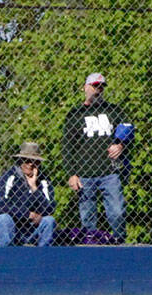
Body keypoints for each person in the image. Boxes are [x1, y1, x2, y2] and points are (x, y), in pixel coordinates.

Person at [62, 72, 131, 244]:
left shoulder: (114, 110)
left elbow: (129, 132)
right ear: (85, 87)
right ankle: (91, 246)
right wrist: (72, 174)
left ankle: (119, 243)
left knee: (117, 212)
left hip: (110, 171)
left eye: (101, 87)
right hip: (85, 174)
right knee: (87, 216)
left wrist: (121, 145)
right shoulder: (75, 114)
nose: (98, 90)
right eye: (94, 86)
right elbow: (67, 147)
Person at [0, 142, 56, 247]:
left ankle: (43, 255)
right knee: (4, 218)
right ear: (20, 161)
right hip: (10, 226)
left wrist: (34, 187)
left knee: (49, 221)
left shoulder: (44, 180)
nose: (31, 164)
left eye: (35, 161)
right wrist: (27, 214)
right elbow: (1, 205)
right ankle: (7, 254)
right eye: (27, 160)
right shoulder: (10, 176)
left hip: (31, 229)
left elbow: (50, 208)